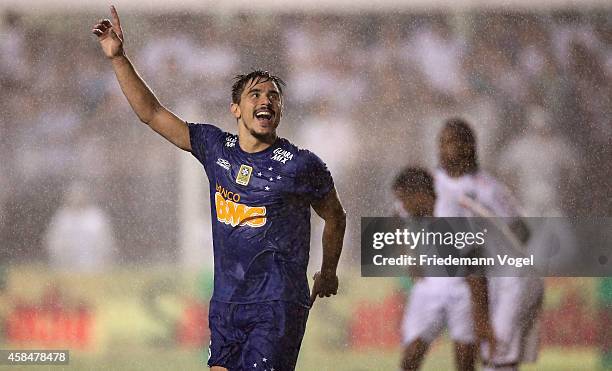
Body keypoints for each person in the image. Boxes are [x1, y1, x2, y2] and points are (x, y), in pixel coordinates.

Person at [92, 6, 346, 371]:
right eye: (255, 94)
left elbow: (335, 217)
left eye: (273, 96)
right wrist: (118, 59)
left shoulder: (301, 165)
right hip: (227, 303)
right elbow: (151, 113)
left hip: (277, 303)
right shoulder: (215, 147)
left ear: (280, 110)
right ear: (236, 109)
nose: (266, 100)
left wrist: (330, 270)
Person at [435, 118, 544, 371]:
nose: (442, 148)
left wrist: (496, 246)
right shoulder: (435, 183)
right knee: (491, 355)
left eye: (450, 142)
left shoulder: (488, 190)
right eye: (440, 142)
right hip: (484, 280)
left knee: (499, 353)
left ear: (467, 147)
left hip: (512, 278)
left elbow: (522, 231)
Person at [393, 167, 493, 371]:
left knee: (465, 361)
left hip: (461, 289)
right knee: (410, 358)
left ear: (420, 195)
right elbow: (394, 221)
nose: (402, 205)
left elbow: (474, 260)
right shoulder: (409, 210)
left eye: (404, 199)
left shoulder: (452, 213)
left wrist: (481, 316)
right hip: (428, 288)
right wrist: (408, 258)